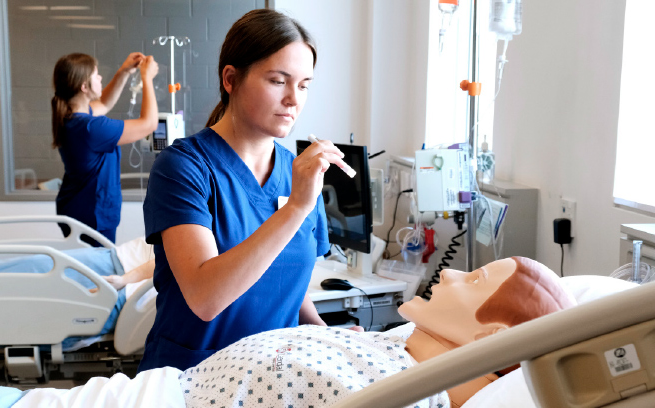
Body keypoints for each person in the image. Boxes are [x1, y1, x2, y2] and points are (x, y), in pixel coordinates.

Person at [138, 9, 357, 373]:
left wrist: (329, 337)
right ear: (230, 79)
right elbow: (205, 297)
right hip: (191, 376)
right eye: (277, 81)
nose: (293, 99)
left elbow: (291, 283)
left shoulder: (299, 173)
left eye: (303, 85)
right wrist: (295, 209)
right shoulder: (183, 168)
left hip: (271, 379)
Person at [175, 256, 576, 408]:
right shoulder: (397, 345)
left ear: (490, 340)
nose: (450, 272)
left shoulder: (406, 396)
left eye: (473, 280)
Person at [398, 256, 577, 407]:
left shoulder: (400, 391)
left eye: (475, 280)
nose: (447, 273)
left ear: (495, 339)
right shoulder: (393, 359)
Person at [51, 52, 160, 245]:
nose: (100, 77)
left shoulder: (69, 116)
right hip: (92, 216)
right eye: (96, 75)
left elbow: (103, 103)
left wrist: (124, 71)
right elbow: (149, 124)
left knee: (85, 266)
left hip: (77, 210)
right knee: (97, 271)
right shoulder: (91, 128)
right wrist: (147, 78)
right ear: (84, 87)